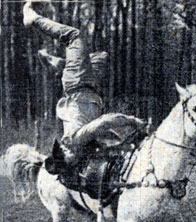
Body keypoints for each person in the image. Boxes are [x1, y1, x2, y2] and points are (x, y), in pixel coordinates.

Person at [23, 1, 144, 172]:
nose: (65, 150)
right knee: (101, 57)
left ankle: (33, 18)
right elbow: (107, 134)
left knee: (74, 36)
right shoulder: (85, 145)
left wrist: (132, 121)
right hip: (87, 86)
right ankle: (57, 63)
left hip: (78, 85)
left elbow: (105, 121)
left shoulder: (74, 141)